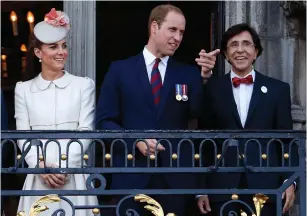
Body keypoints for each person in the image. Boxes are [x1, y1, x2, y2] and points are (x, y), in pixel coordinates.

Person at [96, 4, 218, 216]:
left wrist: (205, 79)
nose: (178, 38)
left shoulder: (188, 73)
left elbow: (200, 117)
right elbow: (104, 122)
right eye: (172, 30)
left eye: (181, 32)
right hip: (131, 175)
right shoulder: (120, 70)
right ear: (154, 27)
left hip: (175, 179)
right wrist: (136, 141)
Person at [196, 23, 296, 215]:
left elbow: (287, 141)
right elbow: (204, 142)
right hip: (221, 188)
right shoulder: (211, 89)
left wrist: (289, 181)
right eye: (233, 45)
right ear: (225, 54)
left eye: (246, 44)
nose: (240, 50)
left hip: (267, 188)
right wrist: (200, 188)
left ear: (256, 51)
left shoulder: (278, 90)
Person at [14, 8, 99, 216]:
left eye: (64, 46)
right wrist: (41, 167)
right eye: (53, 47)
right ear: (37, 53)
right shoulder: (23, 90)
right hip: (38, 178)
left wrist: (64, 167)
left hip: (74, 176)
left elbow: (85, 130)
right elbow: (22, 136)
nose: (62, 52)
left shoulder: (83, 86)